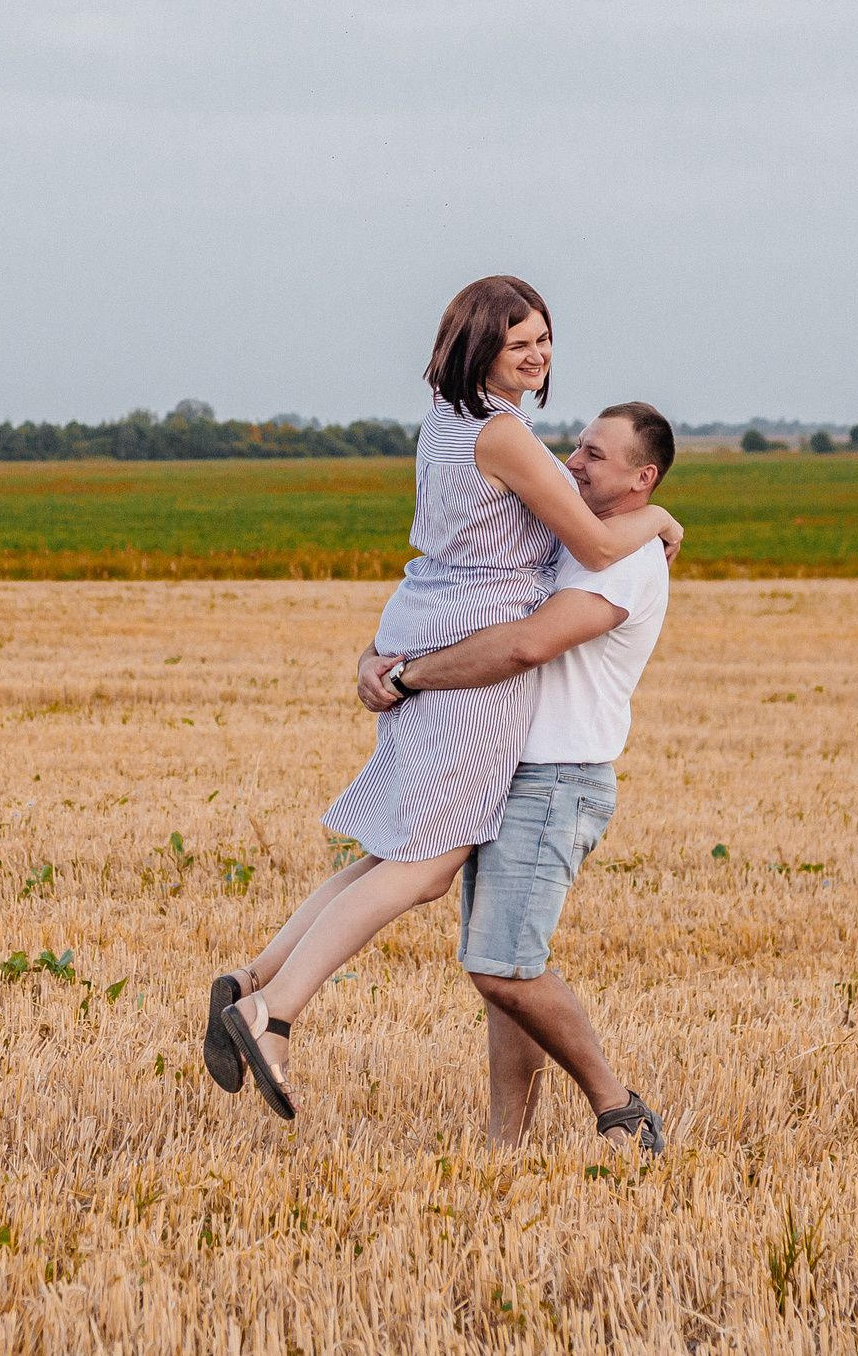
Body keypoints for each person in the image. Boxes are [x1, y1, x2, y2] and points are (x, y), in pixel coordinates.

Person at [205, 277, 681, 1122]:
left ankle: (257, 979)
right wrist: (661, 519)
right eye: (517, 342)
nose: (536, 354)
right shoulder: (504, 434)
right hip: (469, 668)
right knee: (426, 868)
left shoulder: (447, 420)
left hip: (435, 630)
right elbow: (595, 548)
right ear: (479, 350)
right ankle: (270, 1014)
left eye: (543, 337)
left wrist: (395, 657)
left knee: (398, 852)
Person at [355, 402, 676, 1154]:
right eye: (576, 445)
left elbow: (528, 642)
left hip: (558, 779)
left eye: (595, 454)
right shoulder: (576, 537)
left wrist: (409, 677)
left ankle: (619, 1107)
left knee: (503, 967)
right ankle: (506, 1148)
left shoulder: (625, 561)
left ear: (641, 476)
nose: (573, 459)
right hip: (505, 769)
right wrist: (377, 651)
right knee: (503, 977)